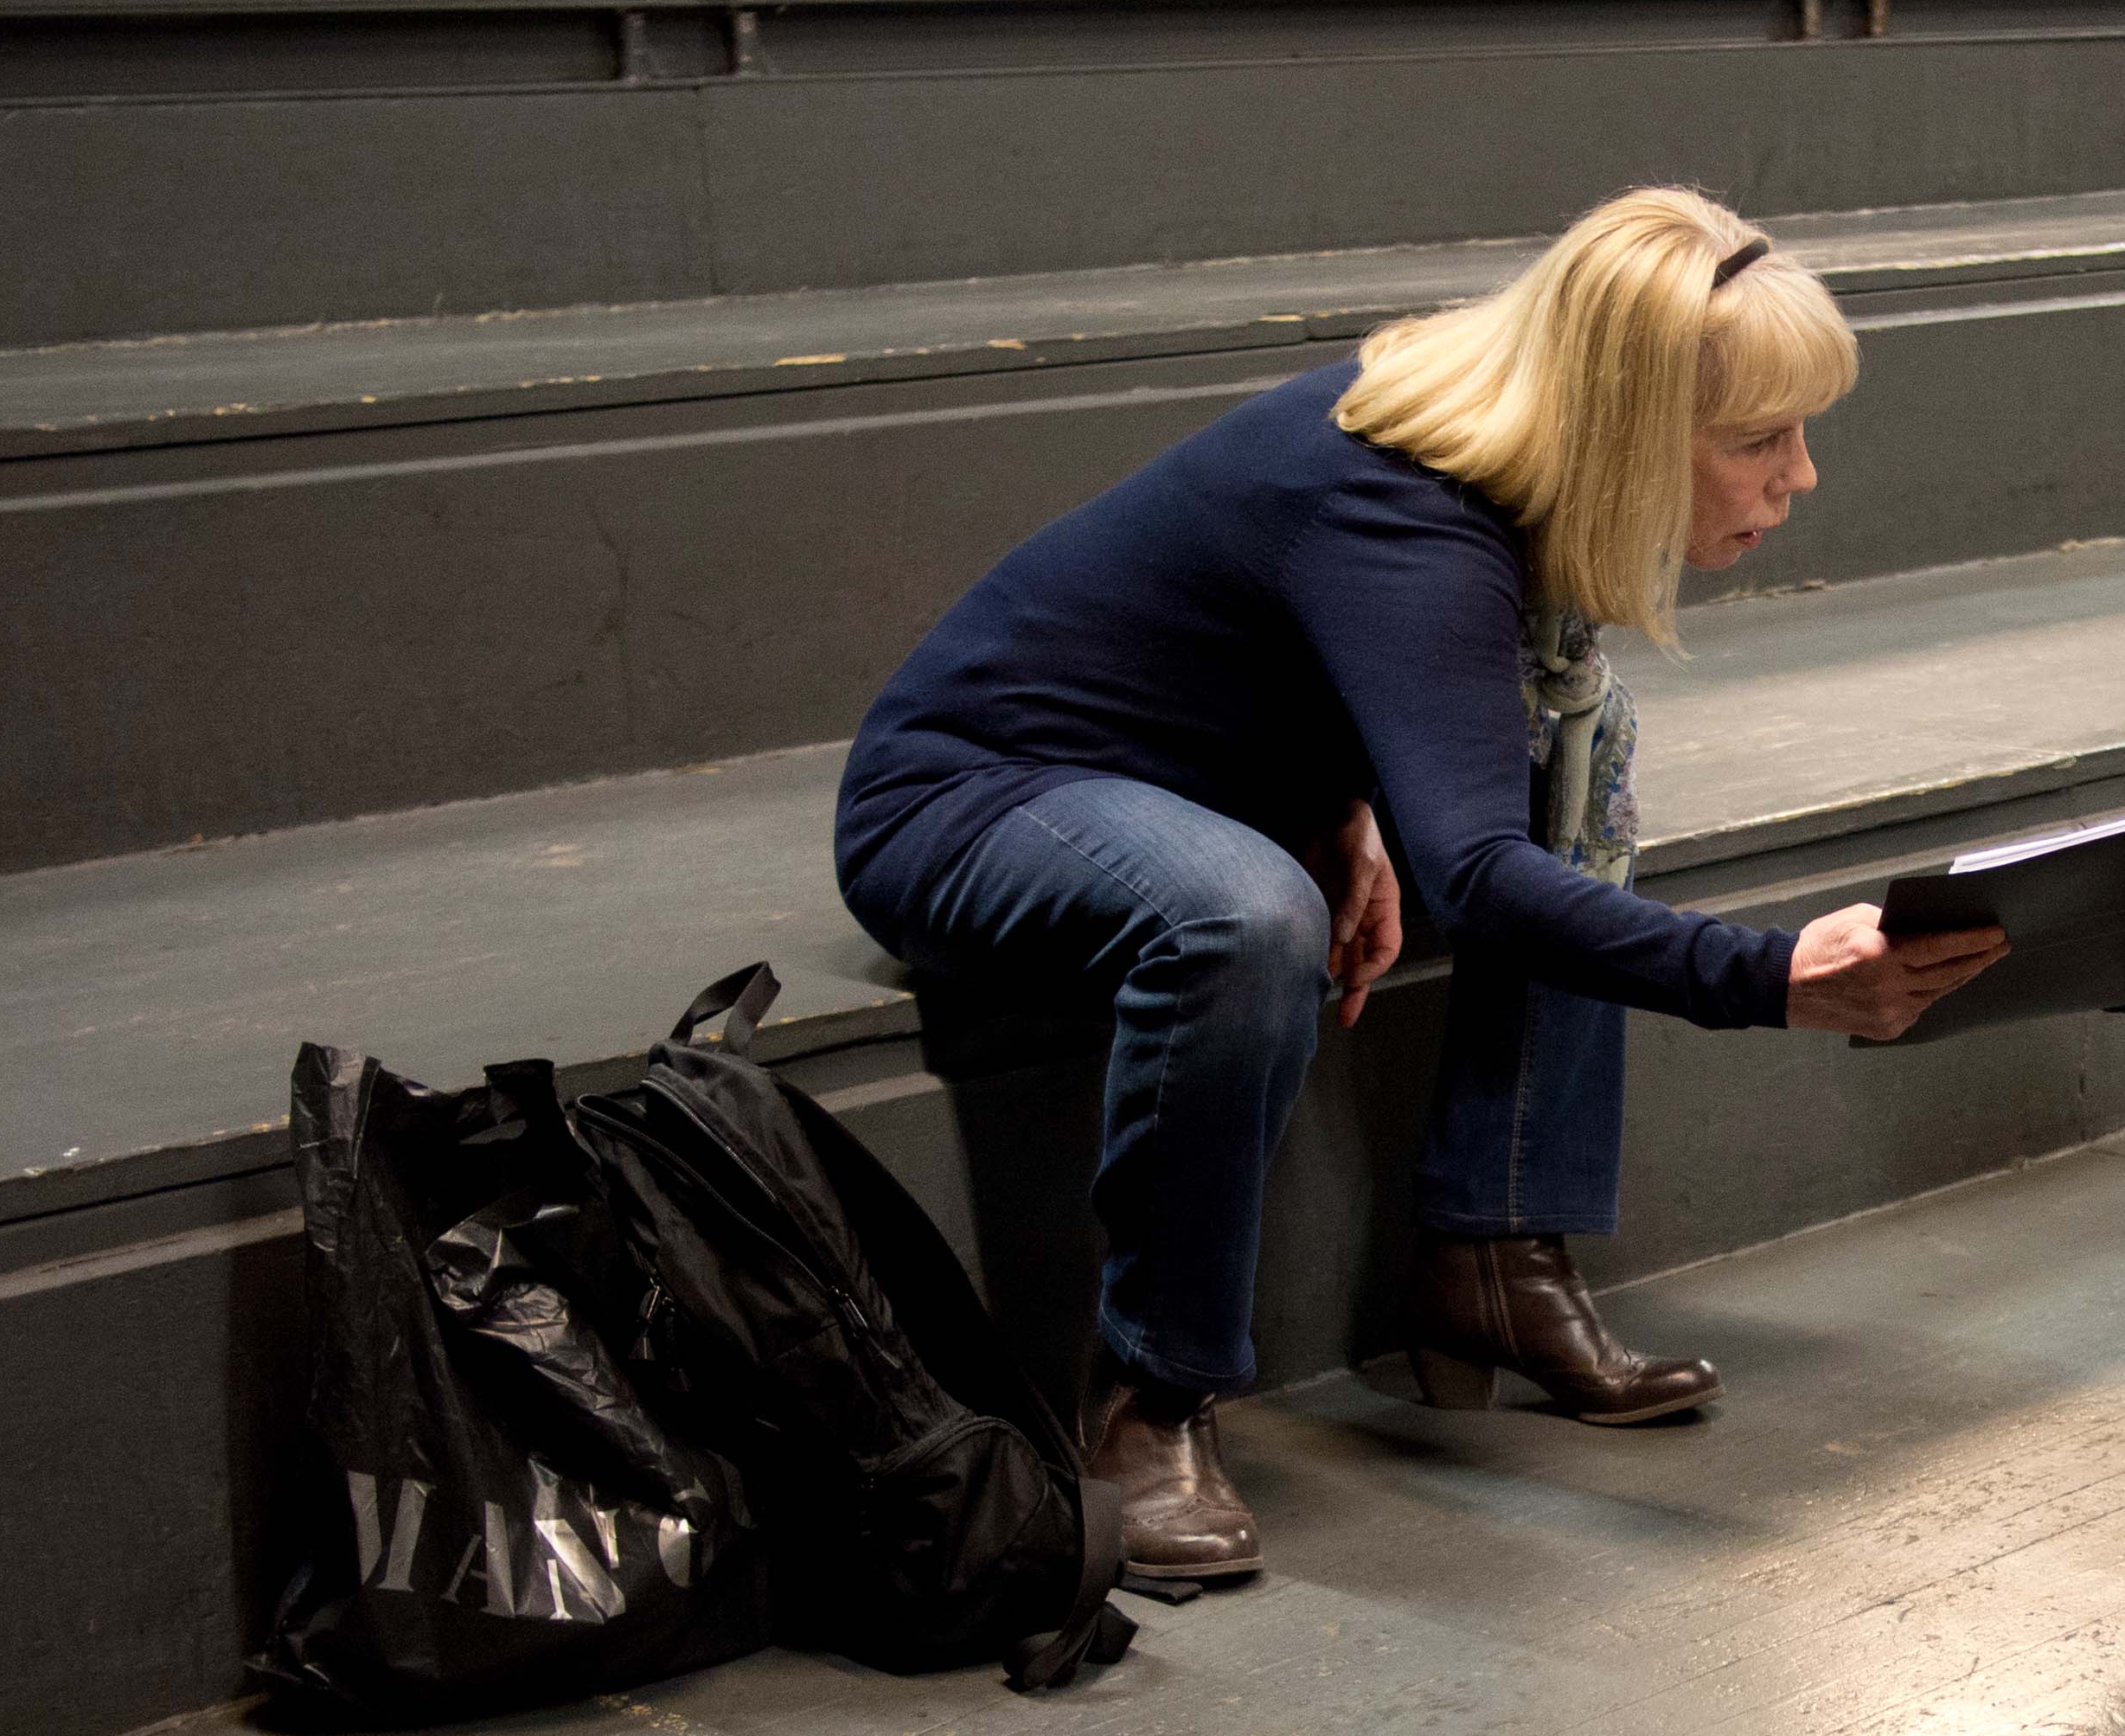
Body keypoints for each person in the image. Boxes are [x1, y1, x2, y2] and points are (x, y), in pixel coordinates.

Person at [835, 189, 2004, 1589]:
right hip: (973, 798)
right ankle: (1151, 1400)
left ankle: (1498, 1256)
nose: (1799, 476)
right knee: (1242, 914)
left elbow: (1269, 659)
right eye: (1759, 439)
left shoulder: (1497, 447)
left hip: (1180, 780)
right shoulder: (1403, 508)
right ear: (1632, 425)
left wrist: (1333, 801)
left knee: (1581, 742)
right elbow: (1480, 871)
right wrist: (1768, 977)